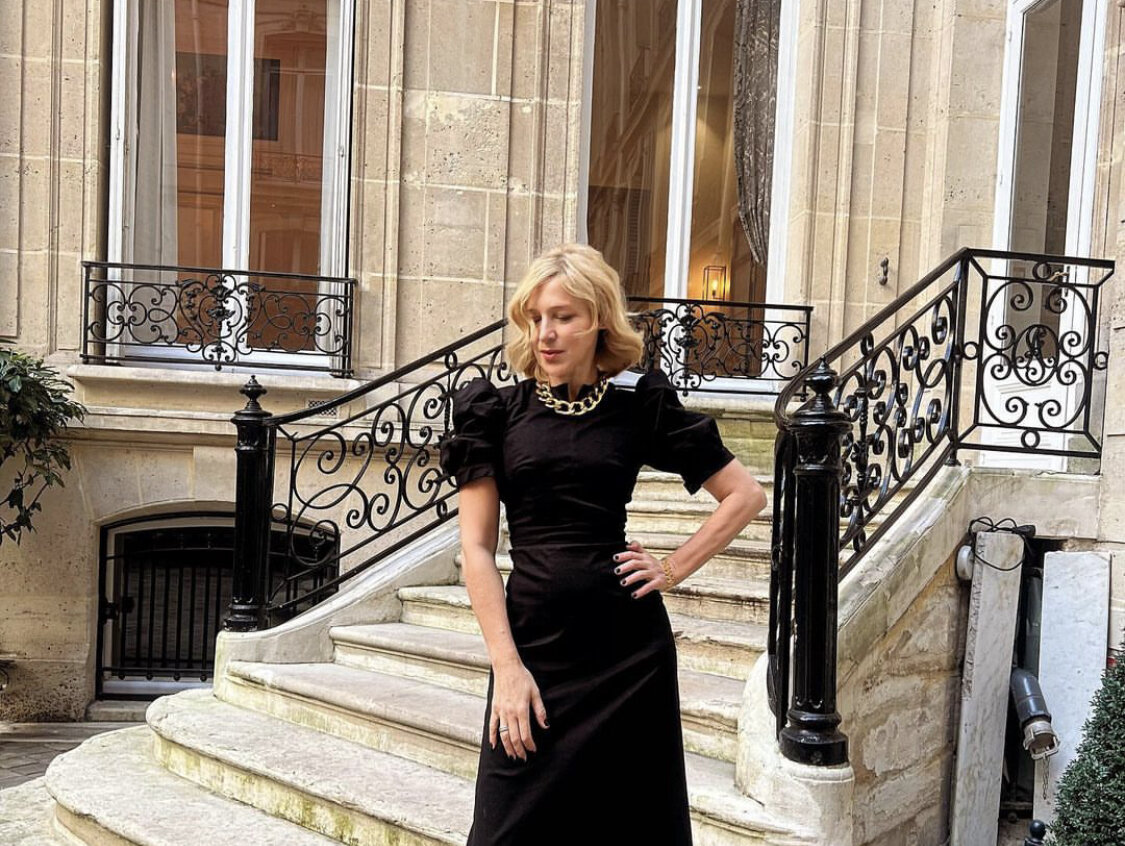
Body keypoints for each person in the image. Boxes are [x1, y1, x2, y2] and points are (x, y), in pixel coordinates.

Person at [438, 242, 768, 846]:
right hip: (533, 649)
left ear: (598, 320)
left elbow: (744, 495)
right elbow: (478, 550)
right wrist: (506, 667)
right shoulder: (497, 413)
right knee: (502, 830)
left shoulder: (637, 405)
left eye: (563, 317)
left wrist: (672, 567)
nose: (545, 333)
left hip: (627, 656)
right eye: (536, 317)